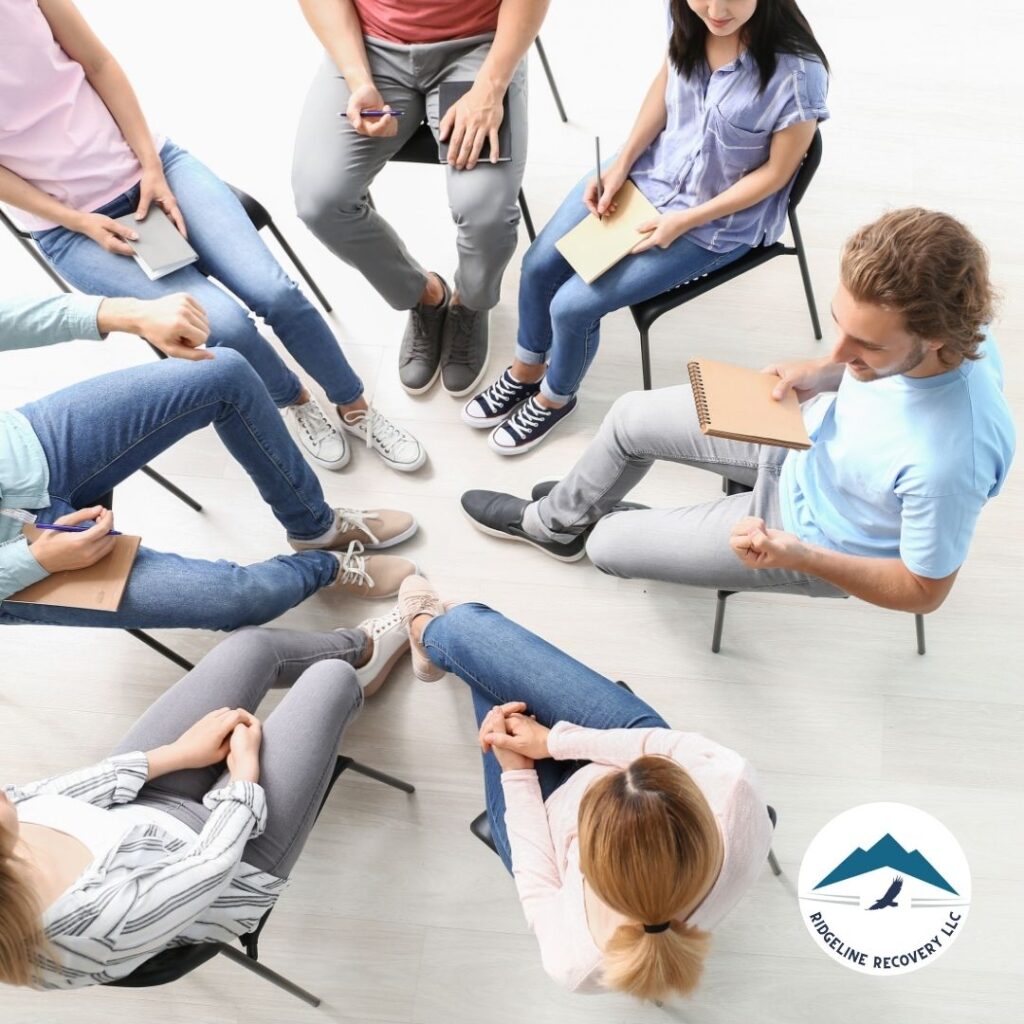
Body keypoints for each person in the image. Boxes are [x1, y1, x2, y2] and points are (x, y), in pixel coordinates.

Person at [460, 209, 1016, 616]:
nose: (841, 351)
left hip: (811, 532)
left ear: (940, 337)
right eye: (839, 325)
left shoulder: (951, 462)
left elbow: (924, 591)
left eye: (866, 348)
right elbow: (856, 366)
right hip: (805, 436)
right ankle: (554, 525)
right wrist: (824, 373)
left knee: (607, 546)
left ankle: (598, 518)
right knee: (629, 416)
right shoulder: (956, 323)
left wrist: (802, 557)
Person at [0, 0, 425, 473]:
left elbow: (99, 63)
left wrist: (151, 166)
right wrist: (77, 220)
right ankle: (295, 399)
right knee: (224, 325)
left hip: (156, 167)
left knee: (275, 293)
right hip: (70, 227)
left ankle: (353, 404)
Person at [463, 0, 830, 454]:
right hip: (650, 172)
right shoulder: (687, 18)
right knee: (538, 265)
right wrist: (620, 164)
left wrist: (684, 220)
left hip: (712, 222)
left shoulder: (798, 72)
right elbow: (665, 85)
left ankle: (555, 398)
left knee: (572, 308)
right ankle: (526, 368)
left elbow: (776, 174)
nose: (715, 10)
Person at [396, 577, 772, 999]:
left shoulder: (573, 959)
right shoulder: (733, 785)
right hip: (617, 745)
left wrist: (516, 771)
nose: (601, 773)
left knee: (496, 703)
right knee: (471, 635)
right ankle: (439, 639)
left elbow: (536, 876)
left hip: (540, 822)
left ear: (587, 862)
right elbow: (658, 746)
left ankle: (427, 634)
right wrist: (551, 742)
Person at [0, 609, 410, 990]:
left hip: (140, 802)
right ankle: (355, 672)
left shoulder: (6, 816)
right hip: (232, 862)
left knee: (251, 648)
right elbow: (209, 866)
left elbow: (53, 793)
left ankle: (362, 648)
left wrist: (177, 754)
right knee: (330, 679)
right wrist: (243, 777)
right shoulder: (84, 926)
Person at [0, 293, 420, 630]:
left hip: (26, 447)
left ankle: (316, 528)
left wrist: (123, 312)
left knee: (225, 373)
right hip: (15, 566)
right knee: (241, 599)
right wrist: (33, 562)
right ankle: (323, 568)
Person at [292, 0, 549, 399]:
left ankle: (471, 303)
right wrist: (358, 77)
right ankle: (425, 295)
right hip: (370, 46)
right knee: (321, 201)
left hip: (476, 47)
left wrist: (490, 88)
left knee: (485, 214)